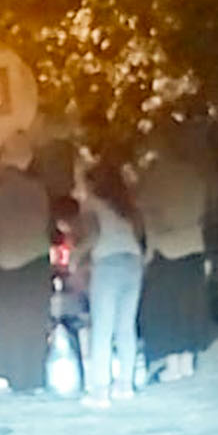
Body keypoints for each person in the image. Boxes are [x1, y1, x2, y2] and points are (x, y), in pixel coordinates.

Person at [0, 133, 54, 393]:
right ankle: (35, 376)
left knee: (11, 324)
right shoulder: (39, 190)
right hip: (38, 261)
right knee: (35, 322)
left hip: (10, 265)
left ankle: (15, 375)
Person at [134, 149, 214, 383]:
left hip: (166, 249)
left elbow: (149, 217)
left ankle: (173, 365)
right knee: (190, 308)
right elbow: (204, 211)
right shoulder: (196, 177)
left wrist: (148, 253)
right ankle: (187, 362)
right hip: (194, 245)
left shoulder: (154, 179)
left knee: (167, 310)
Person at [78, 160, 145, 409]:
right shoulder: (128, 204)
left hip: (108, 263)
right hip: (133, 261)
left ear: (92, 183)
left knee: (102, 329)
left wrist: (76, 255)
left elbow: (93, 235)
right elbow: (140, 232)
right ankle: (125, 385)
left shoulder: (91, 204)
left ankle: (100, 391)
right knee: (126, 327)